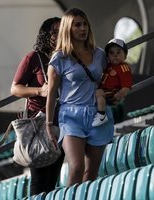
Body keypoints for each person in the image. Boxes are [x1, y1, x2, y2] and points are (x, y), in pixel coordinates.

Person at [46, 8, 114, 187]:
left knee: (91, 173)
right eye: (77, 25)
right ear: (68, 28)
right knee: (76, 167)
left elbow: (110, 80)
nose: (83, 28)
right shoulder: (59, 57)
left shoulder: (99, 54)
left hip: (97, 115)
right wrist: (48, 124)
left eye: (84, 24)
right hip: (70, 116)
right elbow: (52, 94)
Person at [11, 17, 64, 195]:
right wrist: (39, 91)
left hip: (62, 122)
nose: (59, 35)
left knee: (53, 180)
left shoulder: (68, 57)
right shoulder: (34, 58)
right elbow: (15, 88)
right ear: (46, 35)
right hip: (40, 124)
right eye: (54, 32)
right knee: (40, 179)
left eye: (62, 30)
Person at [92, 38, 133, 127]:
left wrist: (119, 94)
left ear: (125, 55)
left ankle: (101, 115)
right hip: (105, 91)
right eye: (111, 53)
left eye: (118, 52)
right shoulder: (108, 66)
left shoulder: (123, 68)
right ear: (107, 57)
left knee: (98, 94)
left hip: (112, 92)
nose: (115, 55)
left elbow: (127, 85)